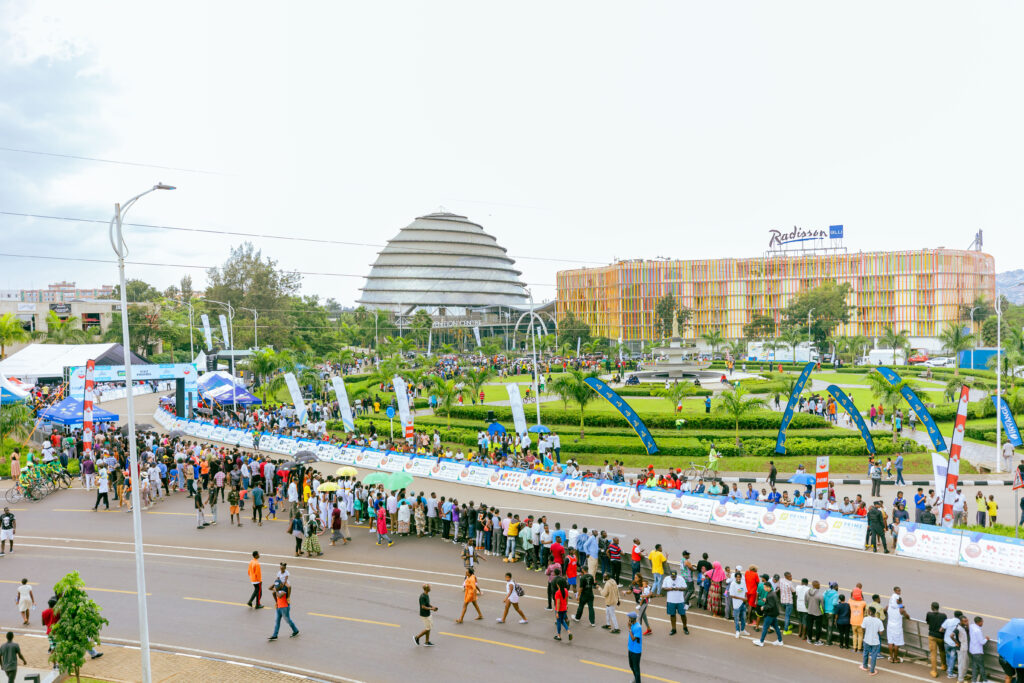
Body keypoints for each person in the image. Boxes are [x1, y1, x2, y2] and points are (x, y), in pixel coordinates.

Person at [753, 574, 783, 647]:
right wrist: (766, 600)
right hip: (774, 614)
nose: (764, 588)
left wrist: (764, 607)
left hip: (770, 614)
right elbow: (772, 603)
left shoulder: (770, 595)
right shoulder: (772, 593)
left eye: (764, 587)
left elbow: (770, 605)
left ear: (768, 587)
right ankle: (780, 641)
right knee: (776, 627)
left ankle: (761, 642)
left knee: (765, 627)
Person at [662, 569, 689, 635]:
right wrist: (670, 589)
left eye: (674, 576)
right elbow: (663, 588)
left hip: (680, 600)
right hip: (670, 600)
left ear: (676, 575)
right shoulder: (666, 579)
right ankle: (673, 629)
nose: (673, 578)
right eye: (672, 576)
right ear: (670, 575)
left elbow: (685, 588)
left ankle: (685, 627)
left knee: (683, 614)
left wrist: (678, 588)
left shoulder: (681, 579)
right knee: (672, 615)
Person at [925, 601, 948, 678]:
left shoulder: (929, 614)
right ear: (938, 607)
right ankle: (944, 665)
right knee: (942, 651)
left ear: (932, 607)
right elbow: (945, 625)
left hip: (932, 636)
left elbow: (928, 622)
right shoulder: (943, 615)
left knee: (933, 654)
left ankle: (934, 671)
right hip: (941, 636)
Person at [860, 606, 884, 675]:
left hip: (866, 639)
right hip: (875, 641)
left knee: (865, 653)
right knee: (874, 656)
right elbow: (881, 632)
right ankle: (872, 671)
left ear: (869, 612)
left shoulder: (865, 619)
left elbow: (863, 628)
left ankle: (865, 666)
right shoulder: (879, 621)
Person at [887, 587, 907, 663]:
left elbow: (884, 610)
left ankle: (891, 658)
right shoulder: (901, 609)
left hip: (890, 626)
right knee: (896, 643)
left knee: (890, 642)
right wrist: (901, 605)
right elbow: (907, 616)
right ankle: (895, 658)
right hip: (897, 628)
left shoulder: (888, 607)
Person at [968, 617, 988, 683]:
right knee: (981, 666)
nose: (982, 623)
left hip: (972, 650)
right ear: (979, 622)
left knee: (974, 666)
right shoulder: (978, 631)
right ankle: (985, 680)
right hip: (977, 651)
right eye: (982, 622)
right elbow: (982, 642)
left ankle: (974, 680)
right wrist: (986, 639)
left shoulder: (971, 626)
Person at [626, 611, 643, 683]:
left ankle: (638, 681)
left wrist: (629, 629)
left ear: (632, 619)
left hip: (636, 651)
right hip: (631, 649)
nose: (628, 619)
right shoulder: (632, 625)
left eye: (629, 618)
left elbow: (633, 638)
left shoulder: (638, 627)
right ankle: (636, 678)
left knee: (636, 668)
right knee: (631, 665)